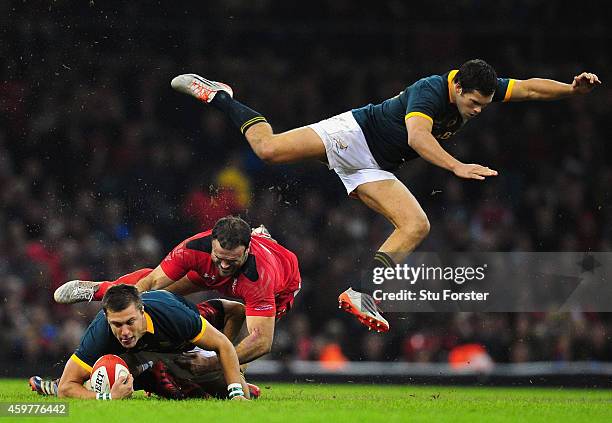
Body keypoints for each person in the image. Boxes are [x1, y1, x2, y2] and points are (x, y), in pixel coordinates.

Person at [169, 59, 601, 331]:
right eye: (473, 104)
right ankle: (220, 94)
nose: (477, 111)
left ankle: (362, 291)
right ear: (456, 88)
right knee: (268, 149)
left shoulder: (476, 86)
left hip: (373, 166)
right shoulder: (431, 91)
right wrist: (456, 165)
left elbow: (526, 87)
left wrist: (571, 89)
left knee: (416, 224)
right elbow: (417, 136)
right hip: (352, 134)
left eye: (483, 105)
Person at [54, 216, 307, 376]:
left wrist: (213, 363)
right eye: (220, 258)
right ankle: (100, 289)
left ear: (247, 250)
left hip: (281, 285)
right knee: (155, 289)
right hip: (219, 270)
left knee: (248, 332)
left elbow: (262, 342)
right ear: (211, 244)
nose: (226, 266)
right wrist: (127, 308)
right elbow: (152, 280)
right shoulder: (192, 249)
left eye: (233, 260)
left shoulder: (259, 278)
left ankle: (225, 367)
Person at [55, 284, 248, 400]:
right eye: (117, 324)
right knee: (109, 369)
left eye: (130, 322)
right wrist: (108, 397)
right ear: (106, 317)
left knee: (245, 392)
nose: (124, 332)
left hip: (185, 352)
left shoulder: (175, 316)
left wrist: (237, 392)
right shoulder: (100, 332)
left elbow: (223, 344)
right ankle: (151, 376)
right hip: (142, 360)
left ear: (142, 311)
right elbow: (66, 388)